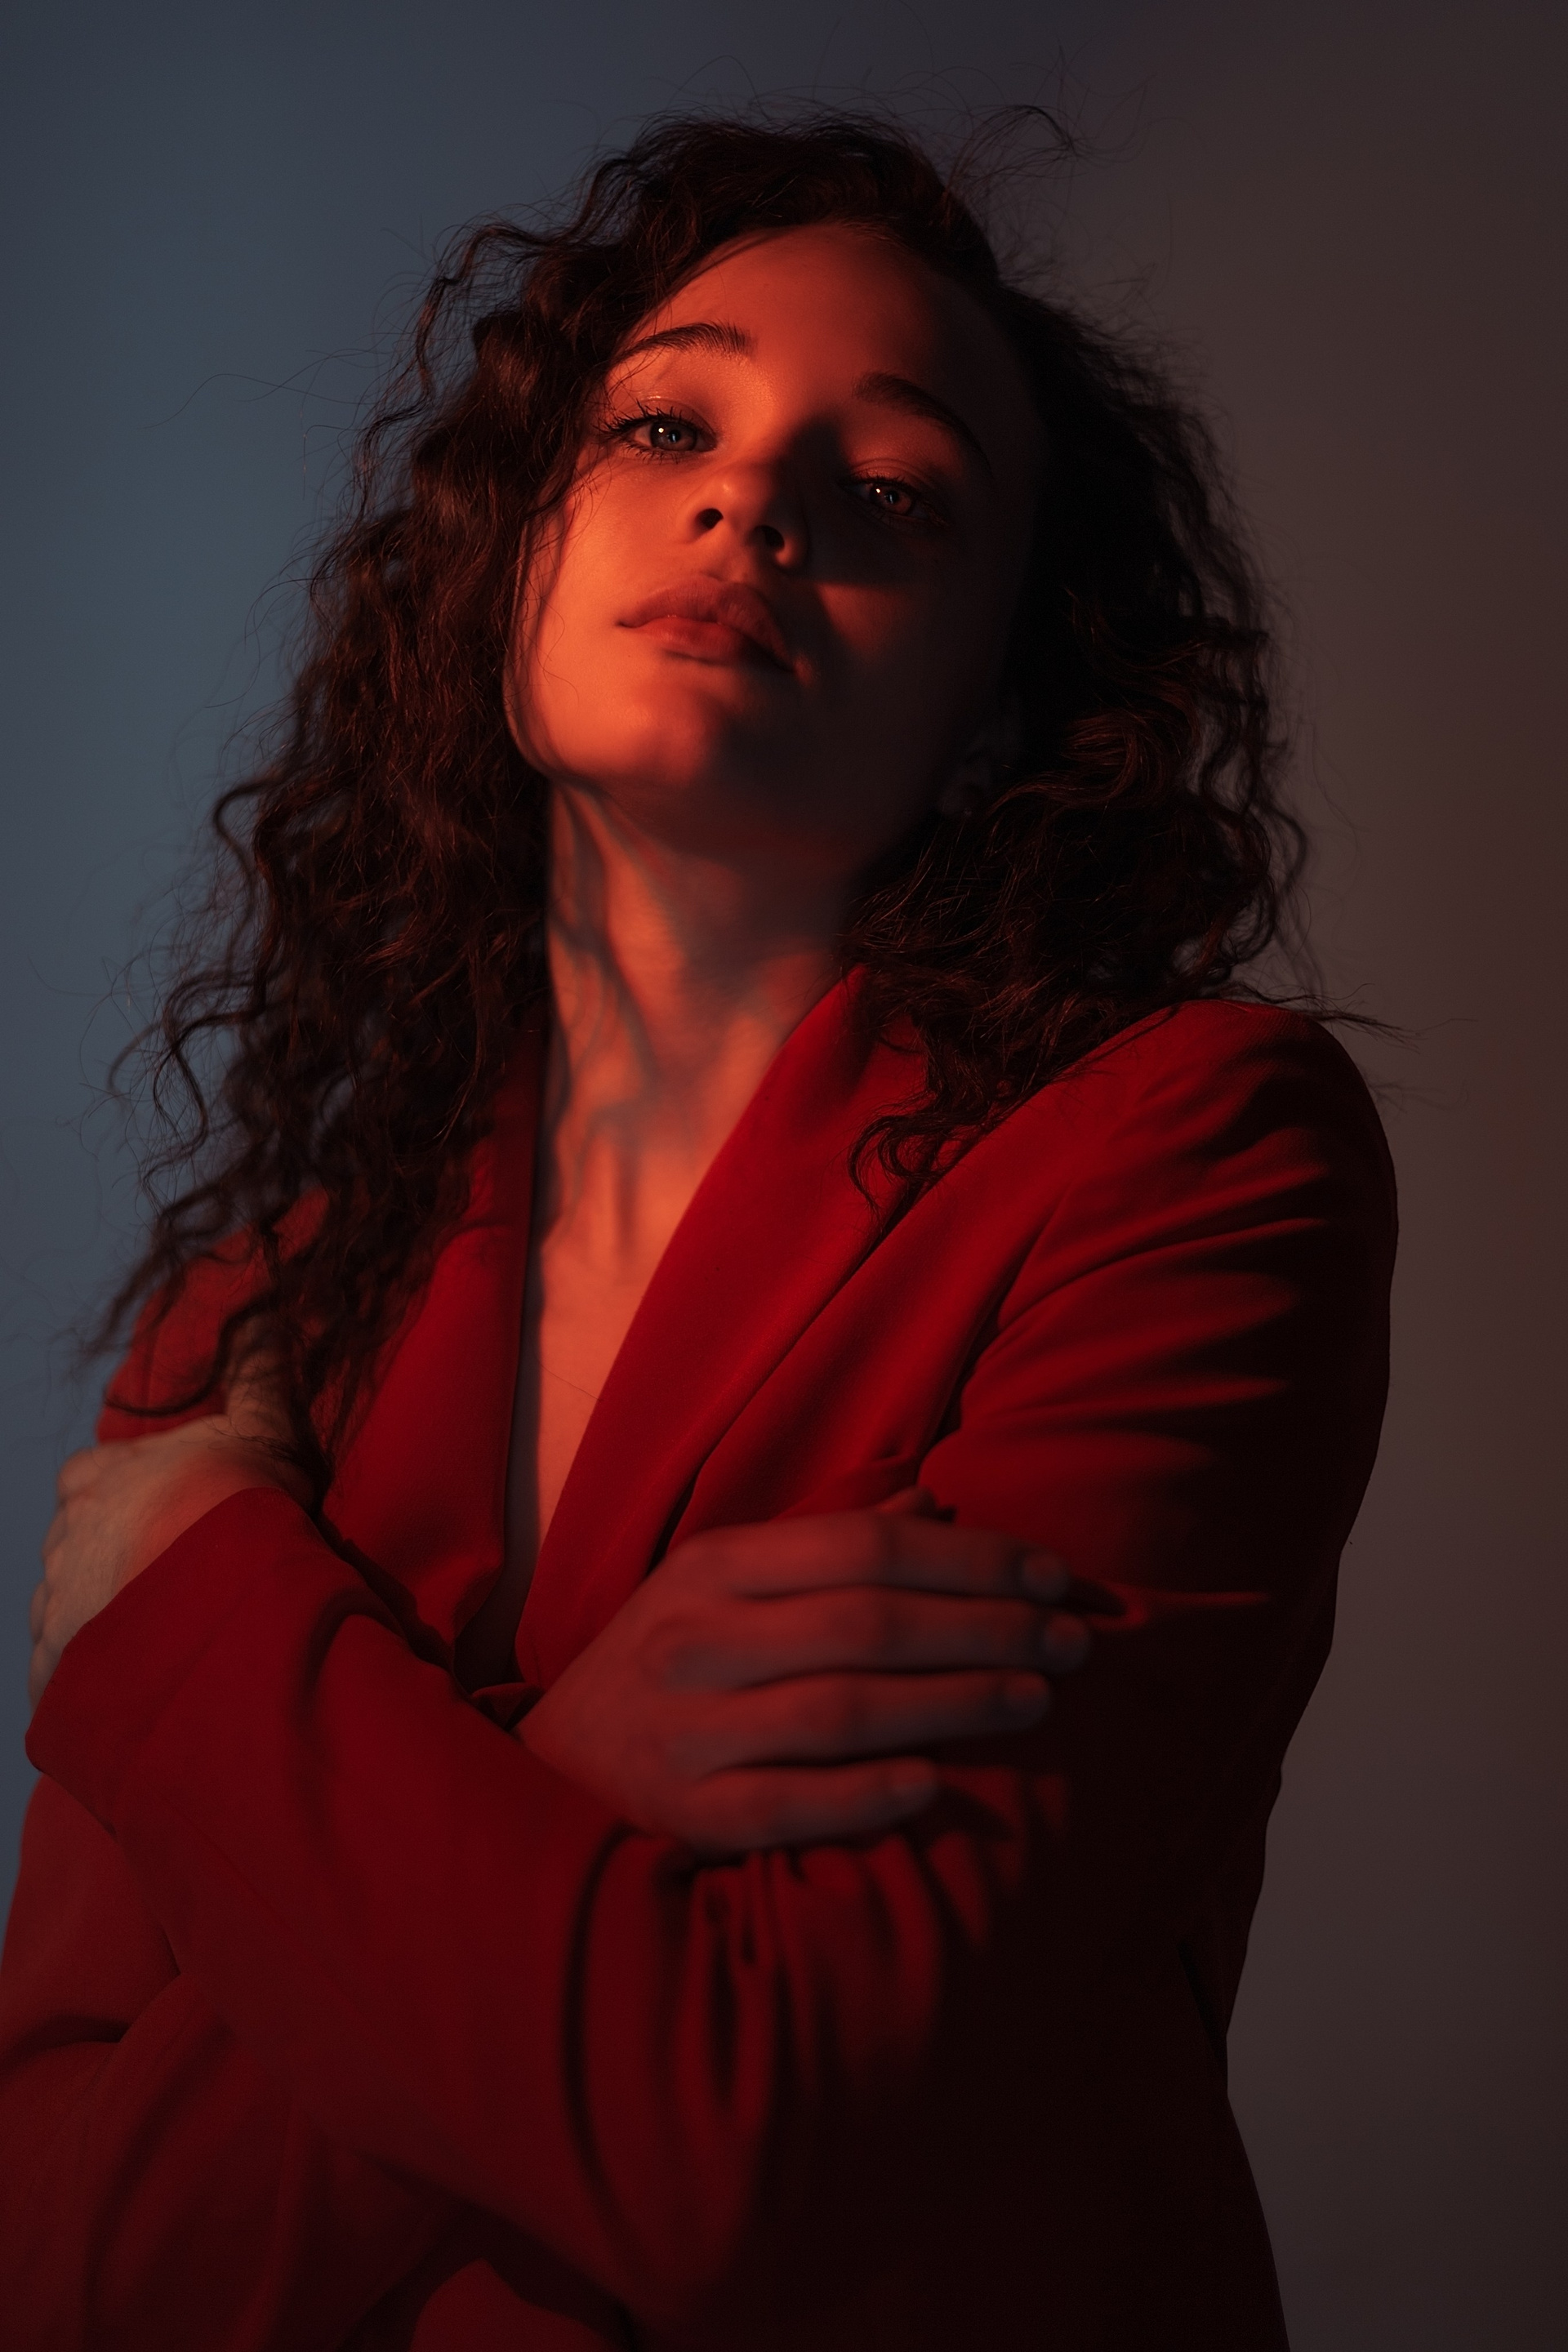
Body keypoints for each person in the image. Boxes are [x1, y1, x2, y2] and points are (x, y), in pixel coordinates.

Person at [1, 111, 1395, 2350]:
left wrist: (209, 1629)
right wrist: (565, 1773)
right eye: (665, 426)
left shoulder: (1192, 1155)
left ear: (1000, 707)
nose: (755, 505)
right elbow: (70, 2276)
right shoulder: (242, 1332)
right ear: (506, 565)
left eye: (897, 493)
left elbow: (750, 2136)